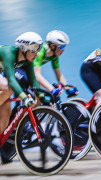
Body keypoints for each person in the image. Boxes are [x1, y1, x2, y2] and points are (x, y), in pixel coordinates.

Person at [0, 32, 43, 164]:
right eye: (35, 50)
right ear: (23, 49)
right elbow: (12, 80)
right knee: (8, 86)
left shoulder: (27, 61)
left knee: (6, 115)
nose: (37, 54)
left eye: (39, 50)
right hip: (6, 79)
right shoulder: (8, 53)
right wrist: (24, 98)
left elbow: (34, 82)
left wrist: (43, 97)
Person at [15, 30, 78, 98]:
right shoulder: (40, 52)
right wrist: (52, 89)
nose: (63, 50)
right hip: (17, 70)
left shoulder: (54, 56)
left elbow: (59, 75)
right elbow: (37, 75)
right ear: (52, 45)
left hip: (28, 71)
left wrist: (67, 89)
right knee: (37, 89)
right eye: (61, 47)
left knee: (39, 96)